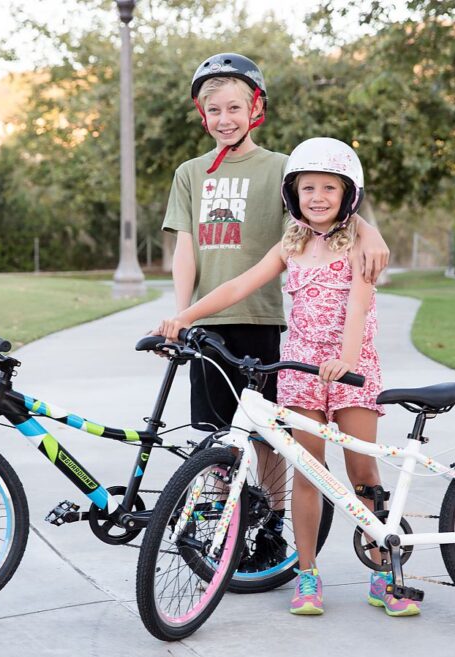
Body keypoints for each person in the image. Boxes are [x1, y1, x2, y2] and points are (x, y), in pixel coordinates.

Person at [159, 137, 419, 618]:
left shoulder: (361, 241)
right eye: (307, 189)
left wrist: (344, 360)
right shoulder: (291, 242)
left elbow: (359, 307)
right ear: (292, 194)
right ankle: (307, 574)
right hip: (299, 371)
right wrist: (186, 316)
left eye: (328, 188)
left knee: (363, 472)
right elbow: (239, 284)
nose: (317, 197)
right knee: (309, 472)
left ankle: (384, 574)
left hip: (351, 369)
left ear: (348, 196)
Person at [160, 54, 389, 572]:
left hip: (267, 322)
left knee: (270, 440)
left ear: (254, 108)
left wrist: (373, 232)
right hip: (210, 323)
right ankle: (222, 530)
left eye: (234, 108)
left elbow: (334, 205)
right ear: (202, 114)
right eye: (213, 109)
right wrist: (184, 314)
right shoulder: (190, 174)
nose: (224, 119)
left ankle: (270, 528)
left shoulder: (286, 167)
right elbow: (186, 247)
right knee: (219, 434)